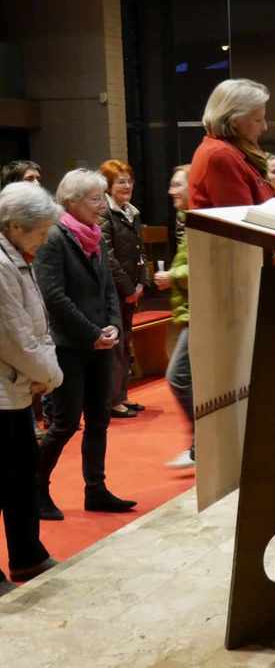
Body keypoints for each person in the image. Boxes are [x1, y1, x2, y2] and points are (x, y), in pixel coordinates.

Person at [33, 169, 136, 519]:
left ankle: (96, 489)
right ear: (72, 202)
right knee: (64, 423)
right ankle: (36, 490)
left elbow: (108, 289)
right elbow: (53, 296)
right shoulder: (54, 237)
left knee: (98, 419)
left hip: (99, 343)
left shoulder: (94, 234)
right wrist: (93, 333)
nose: (102, 206)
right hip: (70, 346)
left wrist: (113, 326)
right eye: (95, 199)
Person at [0, 182, 62, 592]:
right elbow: (14, 336)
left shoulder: (16, 256)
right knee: (4, 479)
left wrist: (44, 369)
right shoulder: (1, 264)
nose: (43, 239)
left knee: (22, 476)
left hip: (16, 387)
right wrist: (52, 375)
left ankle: (27, 556)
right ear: (15, 226)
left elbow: (35, 323)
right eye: (39, 232)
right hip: (4, 391)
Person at [98, 160, 148, 419]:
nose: (127, 185)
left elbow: (140, 250)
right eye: (121, 181)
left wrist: (142, 282)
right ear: (108, 186)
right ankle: (111, 400)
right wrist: (129, 288)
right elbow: (108, 256)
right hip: (114, 290)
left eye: (129, 180)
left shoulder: (131, 212)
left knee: (126, 342)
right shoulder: (104, 213)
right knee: (116, 345)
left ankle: (122, 395)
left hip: (130, 289)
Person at [155, 166, 195, 469]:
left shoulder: (200, 221)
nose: (171, 191)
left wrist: (173, 275)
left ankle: (201, 443)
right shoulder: (186, 220)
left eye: (177, 185)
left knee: (178, 376)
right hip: (190, 312)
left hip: (199, 313)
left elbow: (206, 265)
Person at [189, 78, 275, 209]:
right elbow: (240, 217)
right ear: (234, 120)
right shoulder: (221, 155)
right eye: (258, 120)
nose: (264, 127)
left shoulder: (233, 151)